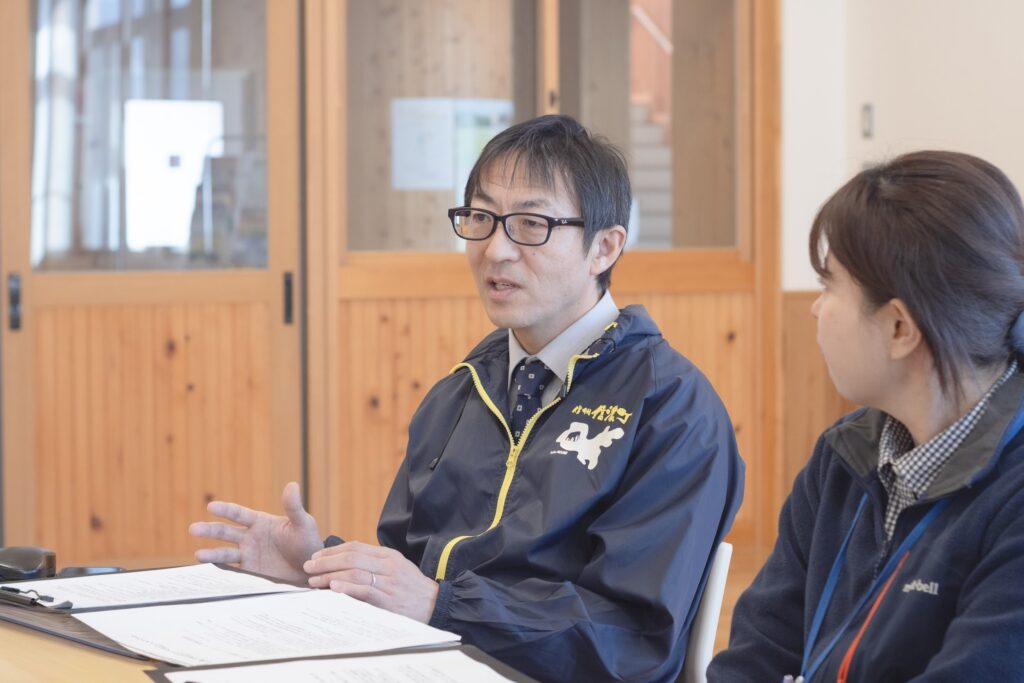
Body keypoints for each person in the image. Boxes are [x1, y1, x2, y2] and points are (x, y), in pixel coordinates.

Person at [191, 114, 744, 682]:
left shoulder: (671, 409)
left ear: (604, 247)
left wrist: (442, 607)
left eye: (530, 224)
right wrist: (320, 569)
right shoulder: (460, 391)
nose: (496, 249)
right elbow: (410, 577)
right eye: (481, 218)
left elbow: (631, 643)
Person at [708, 150, 1024, 682]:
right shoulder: (845, 455)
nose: (815, 307)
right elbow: (757, 654)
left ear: (900, 328)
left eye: (829, 285)